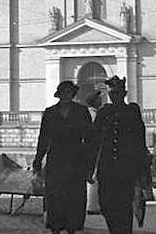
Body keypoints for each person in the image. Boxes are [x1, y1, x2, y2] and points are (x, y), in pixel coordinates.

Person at [33, 81, 95, 234]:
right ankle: (55, 227)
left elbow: (89, 139)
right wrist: (38, 159)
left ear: (73, 94)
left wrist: (89, 164)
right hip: (56, 159)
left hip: (76, 158)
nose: (67, 95)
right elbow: (43, 138)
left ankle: (72, 227)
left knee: (74, 195)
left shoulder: (81, 112)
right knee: (55, 194)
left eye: (69, 92)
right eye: (64, 92)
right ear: (59, 95)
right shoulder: (49, 113)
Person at [93, 76, 147, 234]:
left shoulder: (132, 111)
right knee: (106, 203)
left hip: (126, 166)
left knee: (124, 204)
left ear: (124, 93)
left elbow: (139, 139)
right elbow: (94, 140)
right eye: (111, 93)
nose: (114, 96)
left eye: (117, 92)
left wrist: (141, 168)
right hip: (107, 166)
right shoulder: (104, 112)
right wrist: (90, 167)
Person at [85, 91, 103, 215]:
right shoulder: (93, 115)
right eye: (99, 99)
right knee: (94, 176)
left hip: (93, 149)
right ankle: (93, 206)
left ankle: (92, 204)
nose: (101, 101)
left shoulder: (91, 113)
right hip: (94, 149)